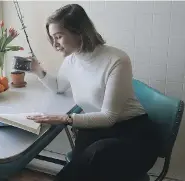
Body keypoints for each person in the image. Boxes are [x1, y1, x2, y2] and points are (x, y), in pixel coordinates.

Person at [26, 4, 160, 181]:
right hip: (100, 130)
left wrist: (66, 119)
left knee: (95, 155)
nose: (54, 44)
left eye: (59, 36)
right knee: (84, 160)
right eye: (52, 38)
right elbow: (59, 86)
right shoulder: (71, 61)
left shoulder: (117, 60)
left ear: (79, 32)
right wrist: (38, 71)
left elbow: (109, 117)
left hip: (133, 134)